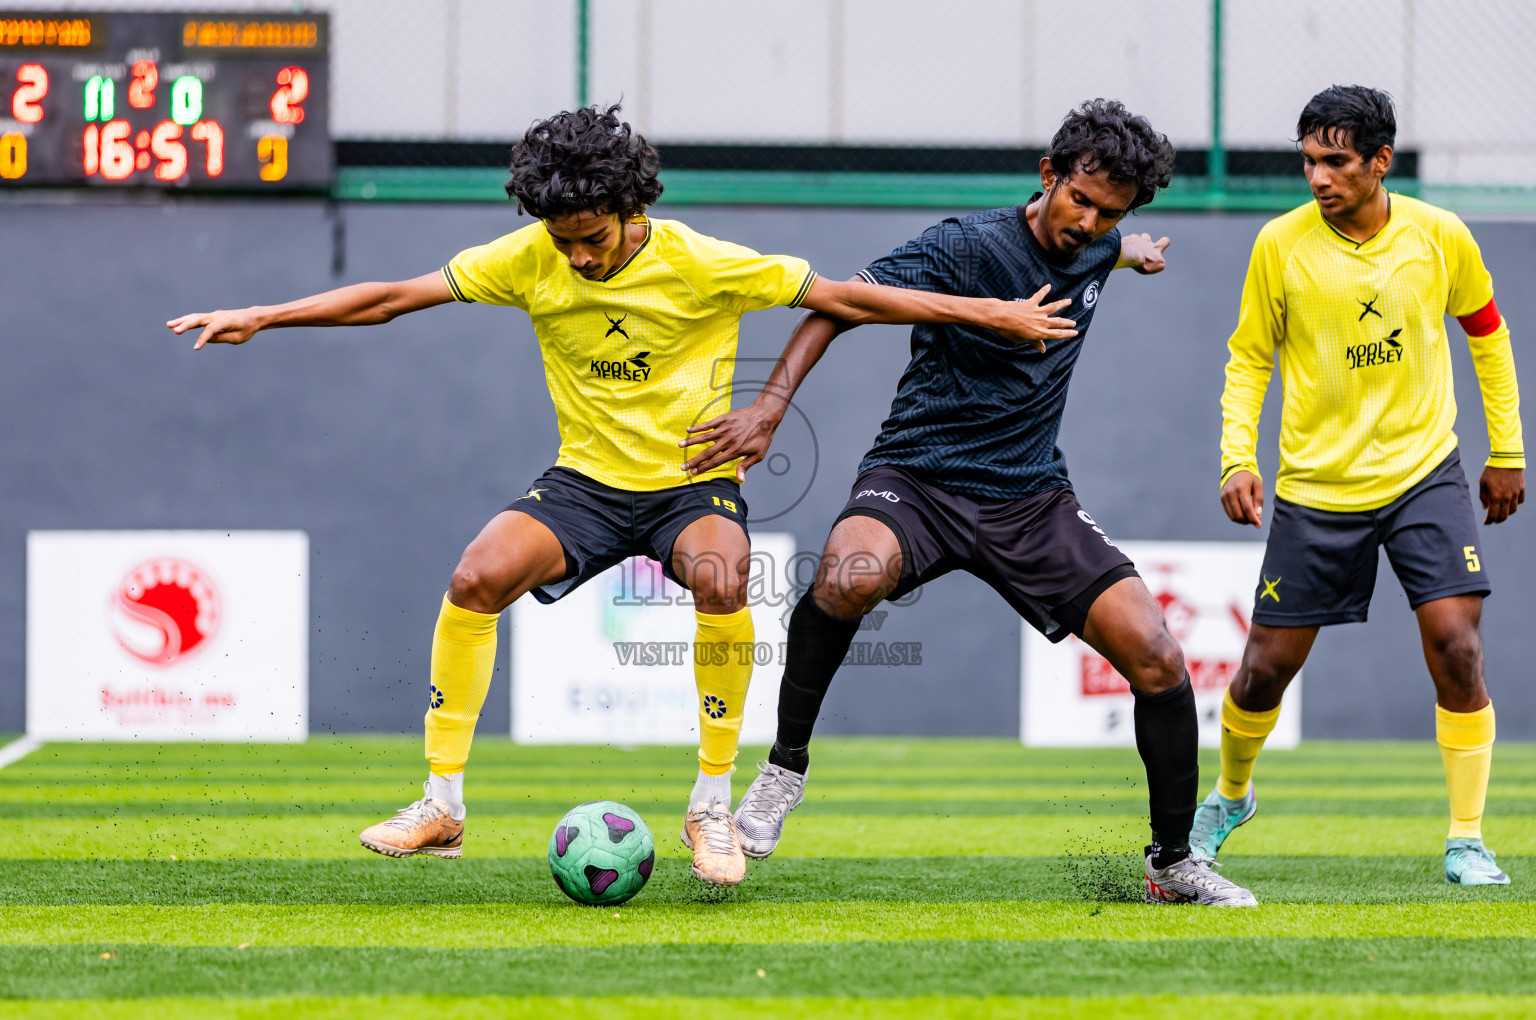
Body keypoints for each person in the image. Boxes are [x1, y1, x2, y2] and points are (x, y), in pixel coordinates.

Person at [167, 104, 1078, 888]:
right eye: (562, 241)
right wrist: (266, 314)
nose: (578, 258)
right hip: (587, 485)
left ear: (630, 208)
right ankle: (441, 803)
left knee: (726, 580)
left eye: (592, 239)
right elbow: (394, 298)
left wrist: (995, 313)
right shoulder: (532, 257)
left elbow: (850, 297)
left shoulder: (703, 263)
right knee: (477, 575)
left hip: (690, 485)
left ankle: (711, 807)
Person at [684, 99, 1256, 906]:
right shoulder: (966, 245)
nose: (1087, 223)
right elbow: (837, 302)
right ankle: (783, 772)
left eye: (1110, 215)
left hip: (1028, 496)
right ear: (1049, 176)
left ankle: (1173, 862)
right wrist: (770, 407)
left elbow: (1108, 248)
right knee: (847, 576)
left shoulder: (1098, 246)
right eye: (1079, 201)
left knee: (1159, 655)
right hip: (916, 476)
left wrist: (1133, 252)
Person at [1193, 85, 1524, 886]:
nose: (1317, 176)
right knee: (1264, 670)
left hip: (1424, 476)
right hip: (1318, 487)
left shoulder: (1440, 236)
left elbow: (1488, 334)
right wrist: (1238, 458)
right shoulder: (1280, 245)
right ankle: (1232, 794)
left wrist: (1506, 450)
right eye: (1308, 160)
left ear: (1380, 161)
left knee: (1457, 645)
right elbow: (1248, 360)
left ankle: (1467, 840)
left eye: (1335, 161)